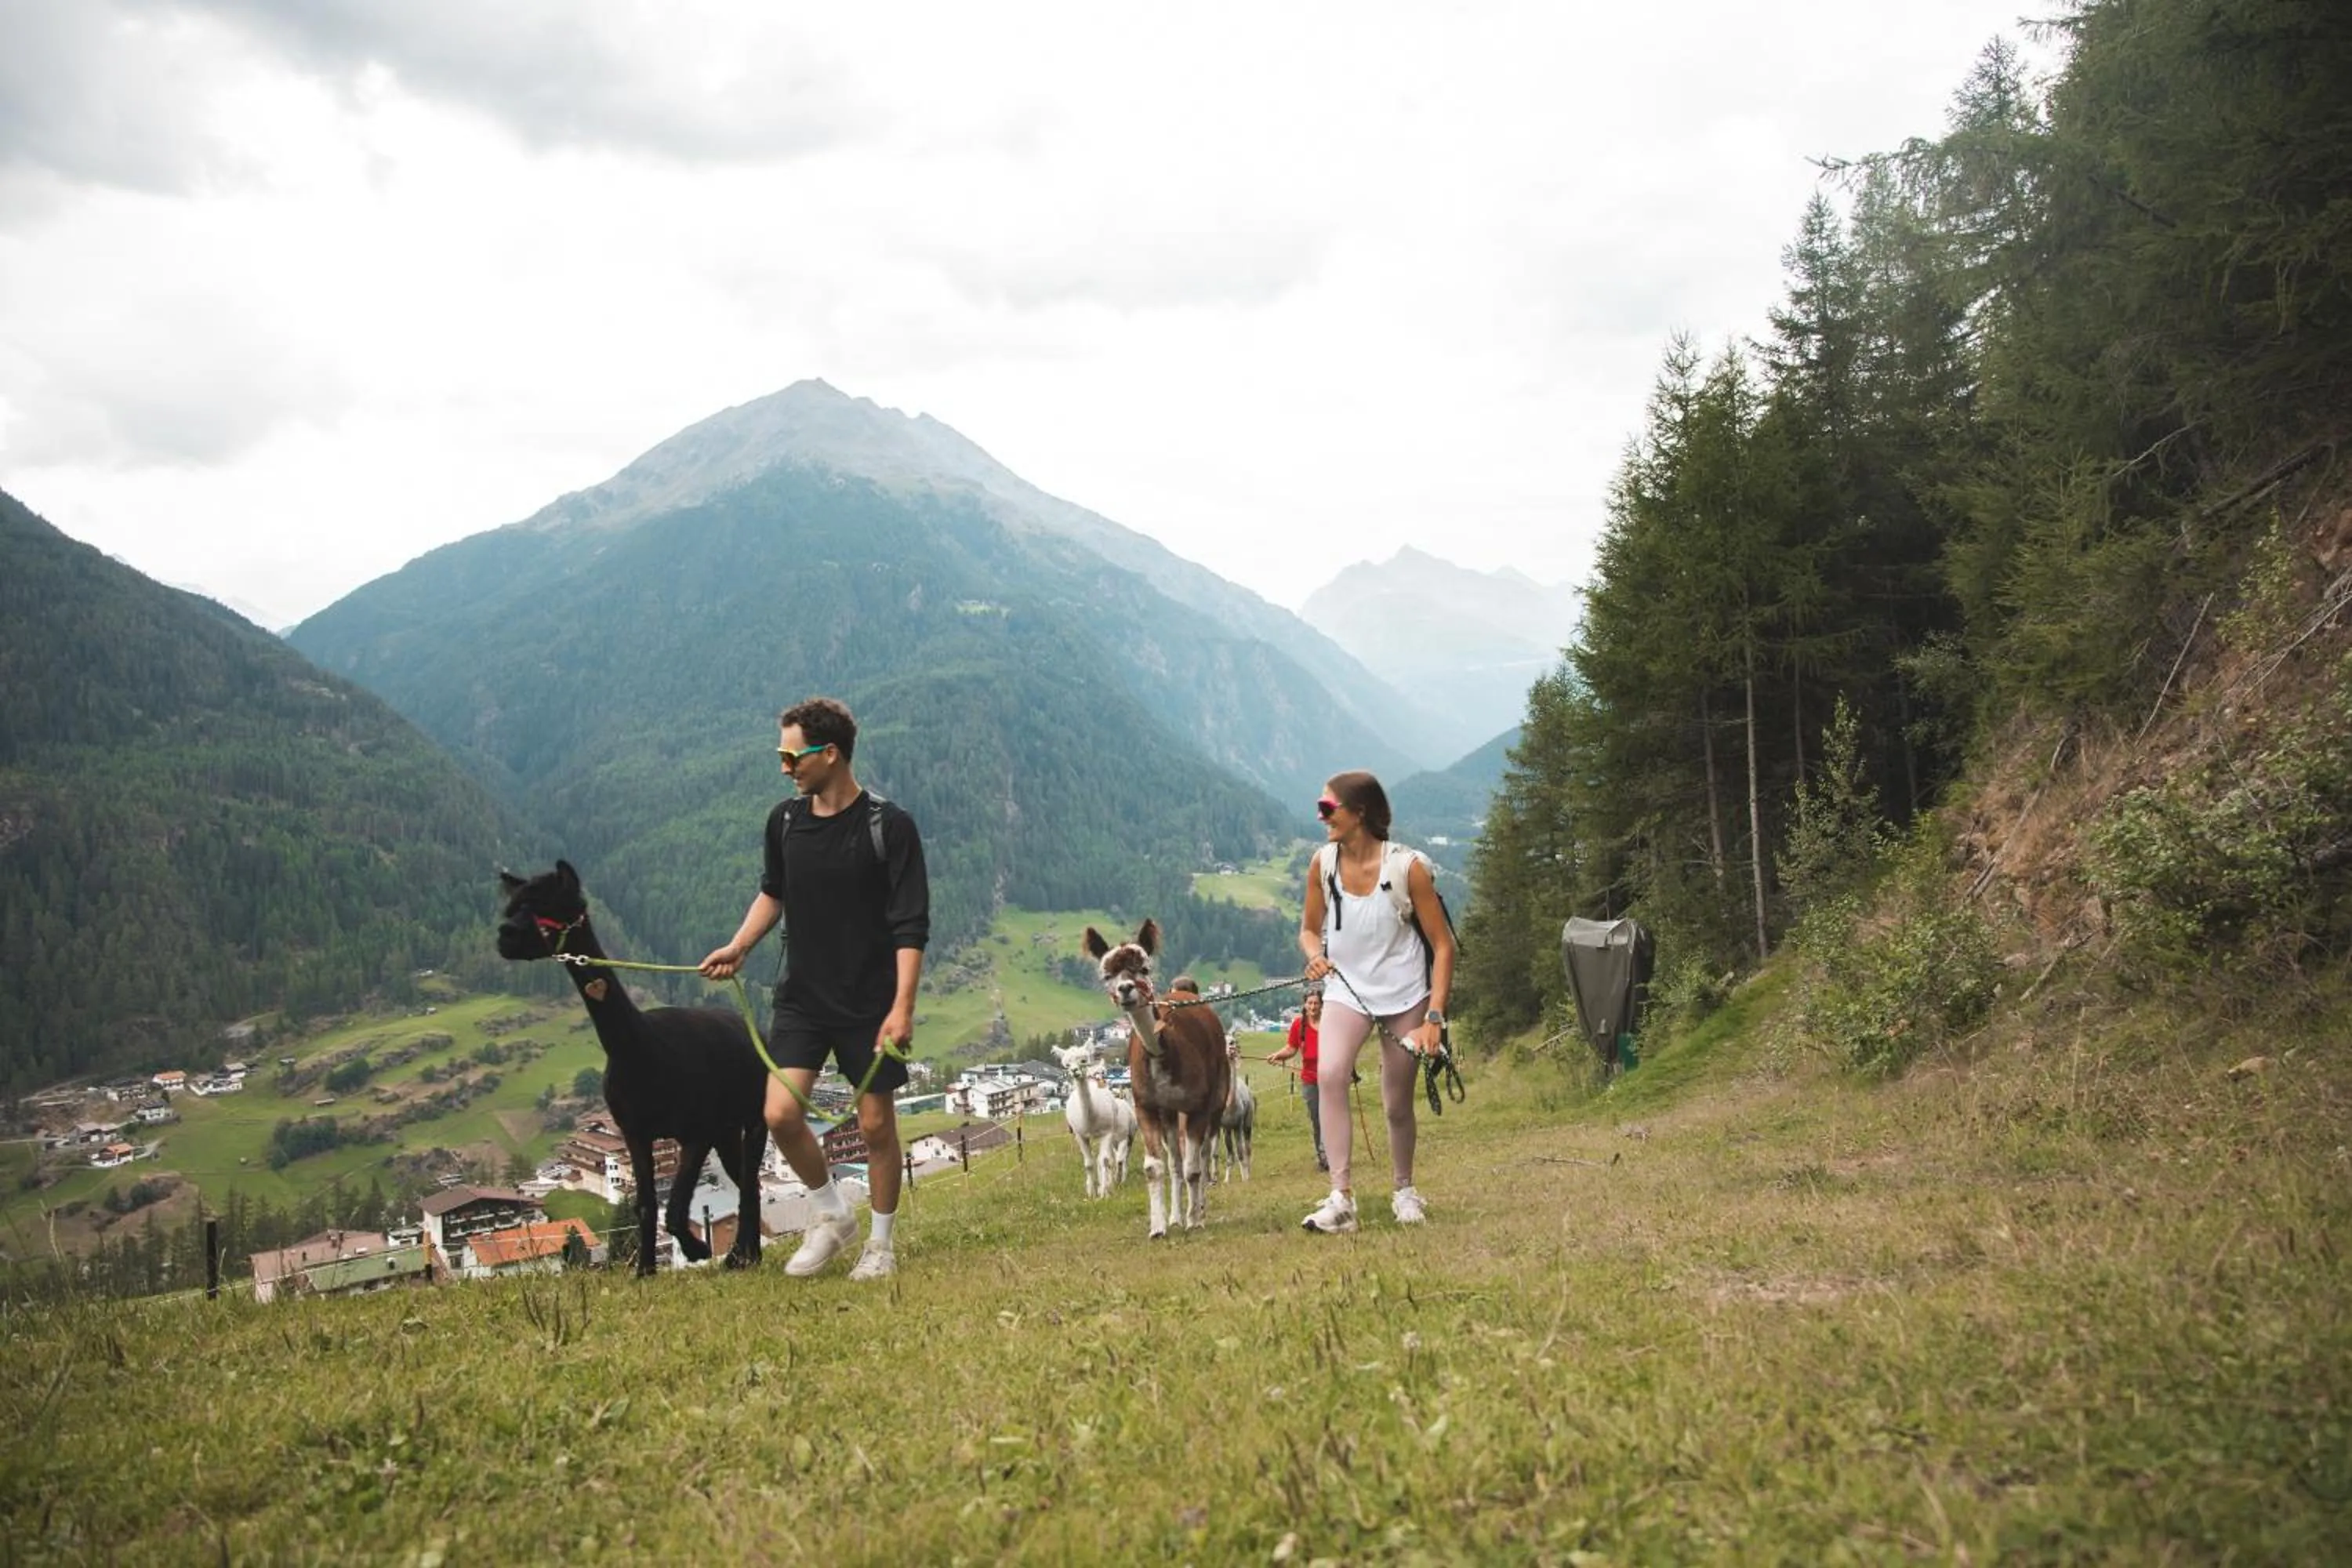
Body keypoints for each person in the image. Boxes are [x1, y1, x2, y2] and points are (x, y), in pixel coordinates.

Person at [702, 697, 928, 1281]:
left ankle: (880, 1245)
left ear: (830, 754)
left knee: (876, 1126)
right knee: (780, 1114)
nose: (784, 768)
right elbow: (773, 892)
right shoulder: (784, 822)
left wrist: (902, 1008)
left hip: (869, 1003)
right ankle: (832, 1214)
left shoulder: (888, 826)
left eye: (792, 756)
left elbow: (910, 924)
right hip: (802, 997)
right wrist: (739, 946)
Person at [1296, 771, 1454, 1233]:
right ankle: (1340, 1199)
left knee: (1396, 1104)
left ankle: (1404, 1191)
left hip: (1405, 994)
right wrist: (1315, 955)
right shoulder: (1322, 864)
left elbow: (1443, 946)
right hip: (1347, 991)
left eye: (1328, 808)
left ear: (1359, 813)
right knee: (1330, 1075)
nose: (1321, 817)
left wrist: (1434, 1017)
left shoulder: (1408, 868)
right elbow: (1308, 930)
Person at [1268, 988, 1327, 1171]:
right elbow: (1291, 1048)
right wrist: (1278, 1055)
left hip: (1331, 1077)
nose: (1313, 1007)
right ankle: (1322, 1157)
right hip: (1310, 1079)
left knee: (1332, 1117)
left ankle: (1334, 1155)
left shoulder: (1330, 1022)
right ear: (1305, 1004)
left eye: (1316, 1003)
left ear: (1322, 1005)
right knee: (1317, 1119)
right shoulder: (1298, 1025)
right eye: (1310, 1003)